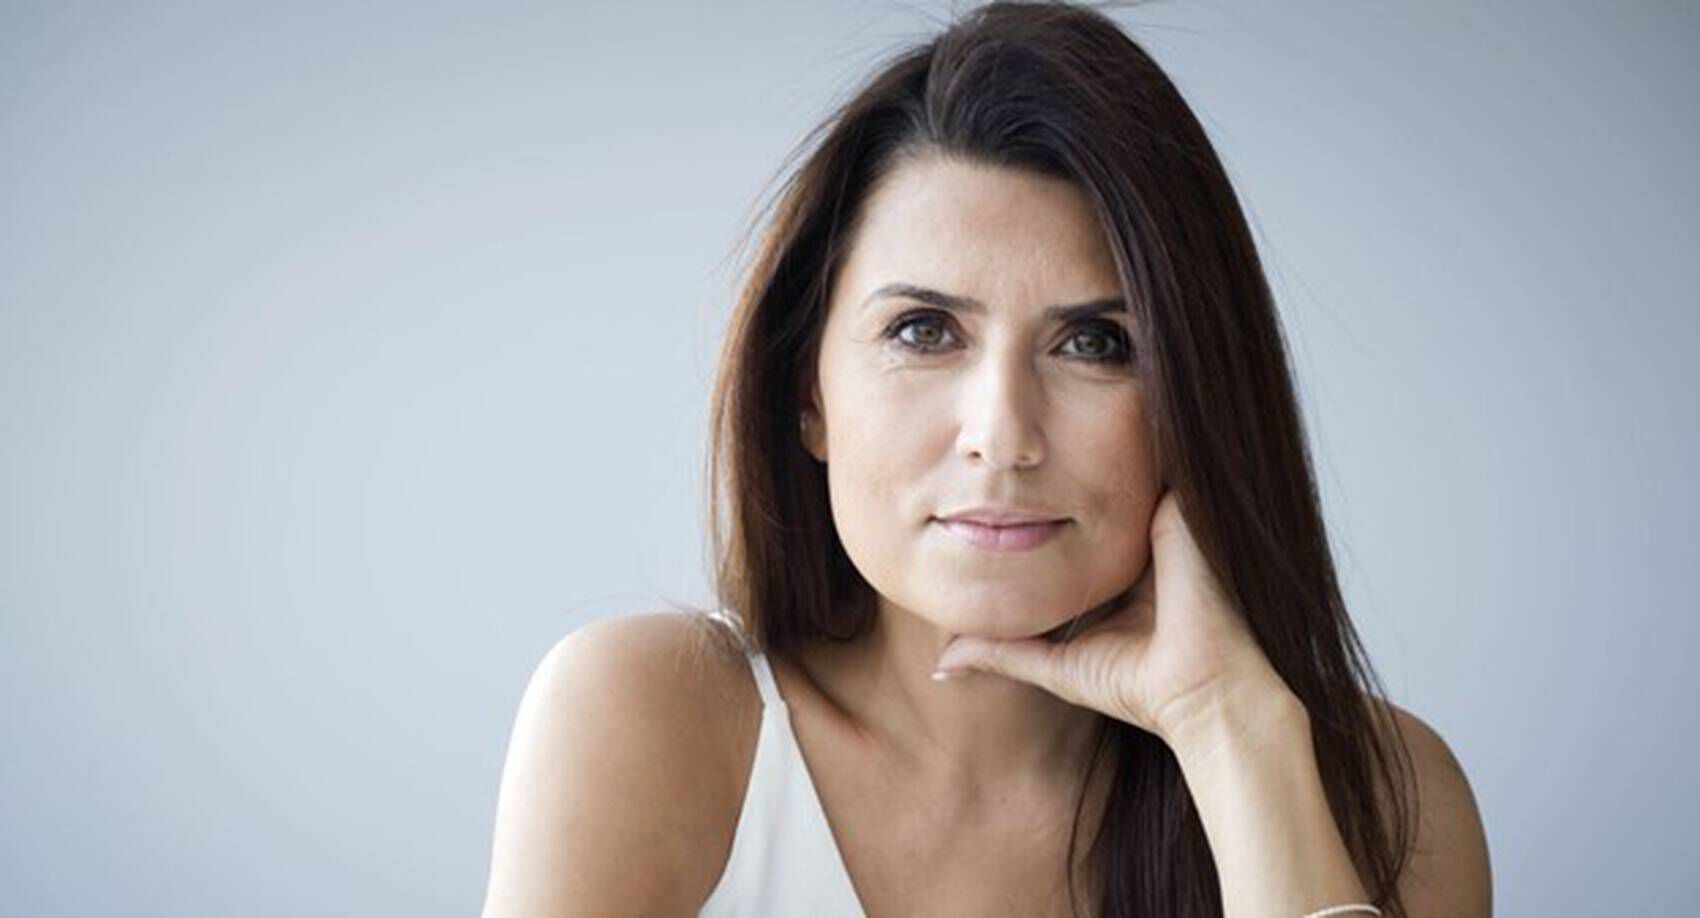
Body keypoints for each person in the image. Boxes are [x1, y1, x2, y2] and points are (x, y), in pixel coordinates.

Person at [479, 3, 1491, 916]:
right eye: (923, 331)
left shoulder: (1393, 802)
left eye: (1094, 344)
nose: (1002, 435)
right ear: (807, 396)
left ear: (1197, 397)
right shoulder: (653, 719)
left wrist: (1230, 731)